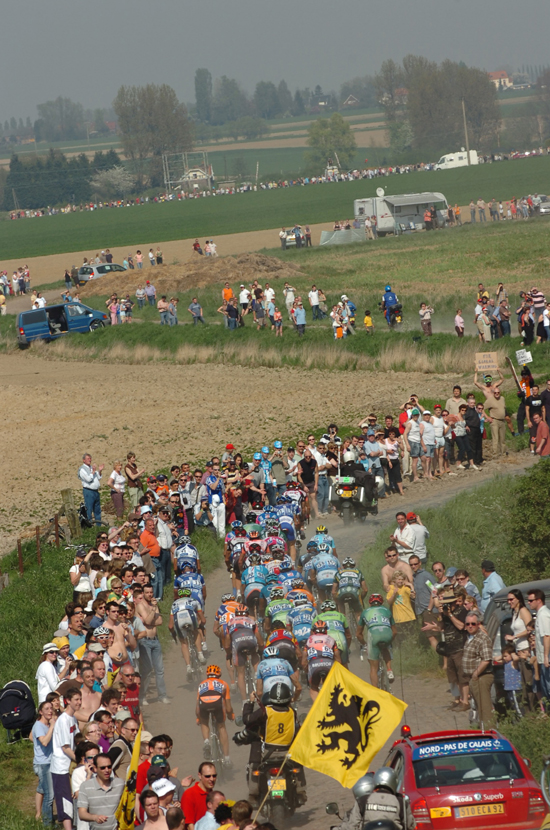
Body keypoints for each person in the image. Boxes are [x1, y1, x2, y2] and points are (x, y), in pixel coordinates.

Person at [51, 688, 82, 830]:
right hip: (61, 766)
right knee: (65, 799)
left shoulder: (73, 718)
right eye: (76, 699)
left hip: (69, 764)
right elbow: (66, 748)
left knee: (72, 797)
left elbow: (77, 740)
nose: (79, 702)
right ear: (68, 701)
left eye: (80, 699)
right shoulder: (63, 720)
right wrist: (80, 760)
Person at [196, 665, 234, 766]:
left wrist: (198, 718)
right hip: (217, 704)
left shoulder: (201, 685)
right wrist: (231, 715)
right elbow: (228, 708)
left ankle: (207, 741)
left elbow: (197, 708)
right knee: (221, 727)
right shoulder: (224, 684)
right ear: (219, 674)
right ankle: (226, 759)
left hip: (203, 704)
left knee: (204, 722)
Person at [462, 612, 494, 728]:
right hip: (473, 678)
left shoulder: (482, 638)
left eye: (473, 624)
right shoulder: (470, 637)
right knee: (478, 707)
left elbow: (486, 659)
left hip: (482, 676)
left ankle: (490, 732)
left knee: (485, 708)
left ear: (478, 624)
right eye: (468, 624)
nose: (470, 626)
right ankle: (482, 730)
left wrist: (476, 674)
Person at [77, 751, 125, 830]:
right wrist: (95, 817)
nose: (107, 770)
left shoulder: (120, 784)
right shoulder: (86, 786)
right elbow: (82, 814)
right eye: (103, 768)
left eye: (109, 767)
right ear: (95, 768)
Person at [357, 594, 396, 687]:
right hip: (387, 634)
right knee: (386, 647)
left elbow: (358, 634)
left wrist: (365, 644)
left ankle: (375, 691)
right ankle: (389, 670)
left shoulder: (365, 612)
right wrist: (390, 641)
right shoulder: (387, 611)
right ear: (381, 603)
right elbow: (395, 631)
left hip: (374, 636)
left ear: (370, 604)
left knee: (373, 668)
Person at [32, 700, 56, 826]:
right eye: (46, 709)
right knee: (49, 794)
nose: (50, 711)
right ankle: (47, 823)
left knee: (42, 789)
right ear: (40, 712)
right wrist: (52, 726)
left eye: (51, 708)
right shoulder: (39, 725)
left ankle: (39, 815)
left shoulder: (46, 725)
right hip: (43, 764)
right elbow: (44, 742)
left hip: (49, 762)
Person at [527, 588, 550, 701]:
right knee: (545, 689)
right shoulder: (539, 615)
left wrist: (546, 657)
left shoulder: (543, 615)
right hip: (542, 657)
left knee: (548, 688)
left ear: (539, 600)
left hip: (547, 658)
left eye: (531, 600)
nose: (528, 603)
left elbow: (547, 636)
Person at [181, 763, 219, 830]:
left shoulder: (214, 795)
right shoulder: (189, 794)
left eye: (214, 776)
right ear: (199, 775)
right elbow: (189, 825)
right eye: (207, 776)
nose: (212, 779)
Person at [79, 453, 104, 526]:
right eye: (88, 458)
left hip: (95, 492)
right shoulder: (82, 470)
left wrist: (99, 471)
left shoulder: (91, 468)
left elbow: (98, 477)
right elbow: (88, 479)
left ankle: (98, 525)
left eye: (90, 458)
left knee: (97, 510)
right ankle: (89, 526)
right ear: (84, 460)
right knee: (89, 510)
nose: (89, 460)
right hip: (88, 491)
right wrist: (93, 472)